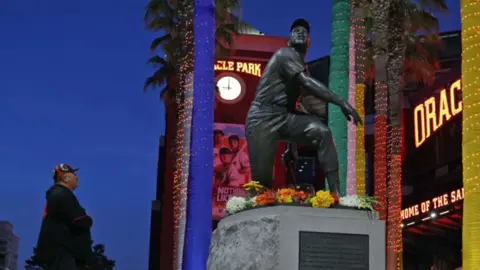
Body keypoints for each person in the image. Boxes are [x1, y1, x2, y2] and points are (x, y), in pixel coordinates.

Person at [245, 18, 362, 196]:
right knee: (262, 186)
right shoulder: (285, 54)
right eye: (295, 31)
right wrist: (342, 102)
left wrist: (290, 147)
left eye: (304, 32)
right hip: (262, 117)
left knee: (323, 132)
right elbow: (307, 83)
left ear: (309, 42)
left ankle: (338, 195)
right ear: (289, 40)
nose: (300, 32)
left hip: (284, 117)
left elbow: (293, 108)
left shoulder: (301, 66)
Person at [35, 164, 95, 270]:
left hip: (63, 252)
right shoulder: (60, 194)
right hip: (63, 253)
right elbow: (79, 220)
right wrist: (88, 220)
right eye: (74, 174)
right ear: (66, 178)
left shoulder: (57, 194)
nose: (76, 177)